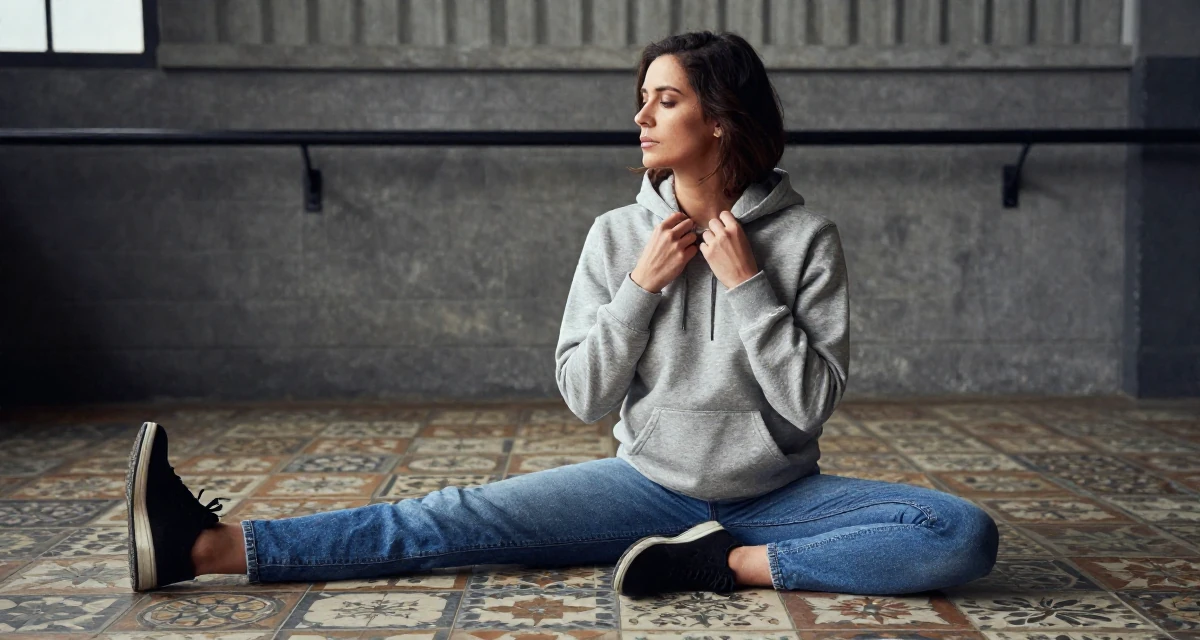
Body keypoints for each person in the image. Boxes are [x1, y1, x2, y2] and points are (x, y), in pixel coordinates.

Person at [125, 30, 998, 596]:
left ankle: (721, 567)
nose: (641, 116)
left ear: (723, 119)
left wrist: (746, 285)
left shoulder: (806, 237)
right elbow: (584, 396)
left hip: (779, 499)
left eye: (666, 99)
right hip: (640, 483)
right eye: (643, 98)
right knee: (445, 518)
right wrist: (641, 288)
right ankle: (203, 546)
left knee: (961, 535)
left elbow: (809, 408)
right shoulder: (618, 234)